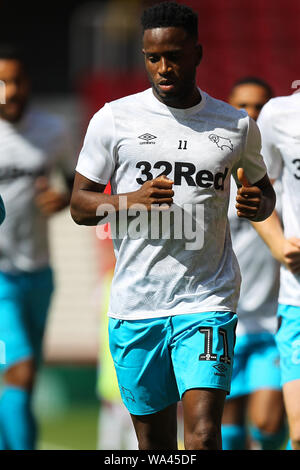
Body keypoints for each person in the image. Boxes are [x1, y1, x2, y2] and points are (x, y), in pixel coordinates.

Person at [70, 1, 276, 450]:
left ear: (198, 54)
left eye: (175, 55)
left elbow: (264, 195)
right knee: (155, 444)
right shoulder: (113, 119)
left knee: (202, 434)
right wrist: (129, 201)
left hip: (207, 298)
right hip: (136, 303)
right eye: (153, 57)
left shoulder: (236, 124)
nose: (164, 67)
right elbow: (81, 207)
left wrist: (258, 202)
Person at [0, 45, 75, 450]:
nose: (8, 91)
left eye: (16, 81)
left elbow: (75, 187)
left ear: (28, 83)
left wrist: (61, 199)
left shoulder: (53, 130)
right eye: (1, 83)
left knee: (23, 379)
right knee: (21, 370)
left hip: (40, 272)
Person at [221, 77, 287, 450]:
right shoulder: (213, 179)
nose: (251, 114)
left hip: (273, 319)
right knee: (223, 427)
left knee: (267, 422)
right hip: (226, 317)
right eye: (242, 106)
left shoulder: (284, 178)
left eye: (260, 106)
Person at [252, 91, 300, 450]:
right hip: (294, 299)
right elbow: (259, 191)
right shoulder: (280, 115)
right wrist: (280, 245)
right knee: (296, 432)